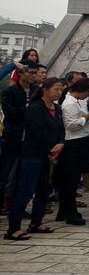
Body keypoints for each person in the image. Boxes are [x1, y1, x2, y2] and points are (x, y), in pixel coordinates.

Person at [5, 77, 64, 240]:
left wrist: (60, 144)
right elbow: (38, 131)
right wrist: (51, 147)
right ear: (45, 90)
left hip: (49, 155)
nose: (58, 93)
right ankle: (13, 228)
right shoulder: (34, 108)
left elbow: (60, 129)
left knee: (43, 191)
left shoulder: (57, 108)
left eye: (60, 90)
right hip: (33, 154)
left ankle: (36, 222)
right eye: (56, 89)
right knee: (25, 191)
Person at [55, 77, 89, 225]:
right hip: (72, 143)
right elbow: (71, 125)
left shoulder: (74, 102)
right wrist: (88, 117)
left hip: (79, 140)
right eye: (88, 92)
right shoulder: (69, 104)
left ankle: (64, 210)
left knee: (70, 180)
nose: (88, 95)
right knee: (70, 181)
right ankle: (70, 212)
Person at [0, 61, 38, 212]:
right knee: (5, 174)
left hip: (29, 140)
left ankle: (17, 208)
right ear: (20, 73)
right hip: (12, 138)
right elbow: (11, 114)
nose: (32, 75)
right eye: (29, 72)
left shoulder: (37, 91)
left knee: (23, 176)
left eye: (34, 73)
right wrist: (28, 109)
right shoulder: (10, 92)